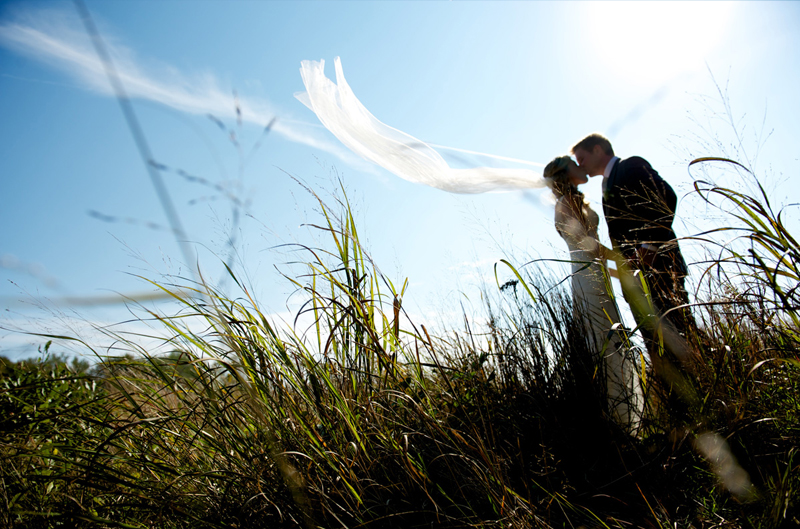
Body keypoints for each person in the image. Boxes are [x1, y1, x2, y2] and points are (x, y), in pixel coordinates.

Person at [570, 134, 696, 408]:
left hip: (662, 268)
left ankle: (706, 393)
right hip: (636, 281)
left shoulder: (631, 166)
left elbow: (667, 197)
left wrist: (650, 244)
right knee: (656, 344)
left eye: (582, 159)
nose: (581, 166)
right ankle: (681, 411)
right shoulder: (605, 186)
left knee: (679, 330)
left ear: (598, 149)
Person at [543, 155, 641, 429]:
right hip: (588, 274)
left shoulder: (569, 201)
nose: (580, 165)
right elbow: (589, 246)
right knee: (604, 339)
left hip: (590, 273)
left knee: (605, 338)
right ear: (565, 173)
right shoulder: (569, 202)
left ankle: (616, 417)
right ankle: (618, 419)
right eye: (574, 164)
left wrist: (617, 270)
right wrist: (624, 262)